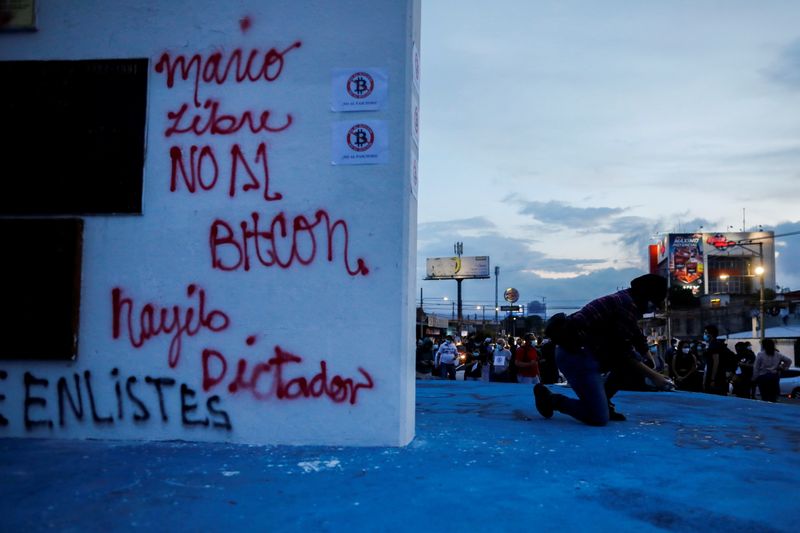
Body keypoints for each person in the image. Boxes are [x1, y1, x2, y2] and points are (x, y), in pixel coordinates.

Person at [534, 273, 675, 426]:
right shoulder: (626, 307)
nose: (653, 308)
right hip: (576, 357)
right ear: (647, 296)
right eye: (654, 303)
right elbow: (622, 353)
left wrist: (649, 359)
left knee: (636, 362)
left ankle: (604, 401)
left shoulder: (627, 300)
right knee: (597, 417)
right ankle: (552, 400)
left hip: (588, 353)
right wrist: (655, 376)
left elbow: (635, 335)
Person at [701, 325, 735, 396]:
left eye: (706, 332)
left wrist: (712, 379)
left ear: (711, 334)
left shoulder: (714, 345)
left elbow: (716, 362)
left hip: (717, 377)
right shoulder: (714, 344)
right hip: (718, 376)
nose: (704, 334)